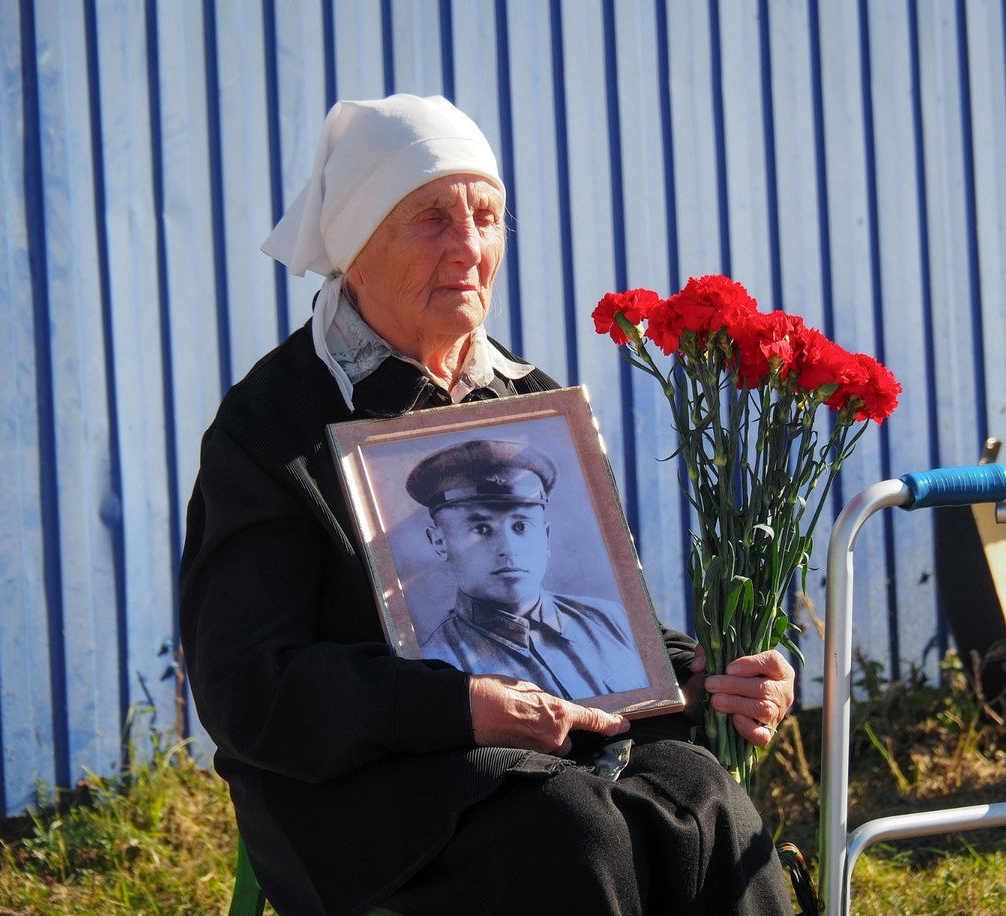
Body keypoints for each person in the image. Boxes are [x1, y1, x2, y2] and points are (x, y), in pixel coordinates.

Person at [179, 94, 797, 916]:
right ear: (357, 249)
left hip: (553, 751)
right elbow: (247, 687)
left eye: (487, 217)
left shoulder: (528, 400)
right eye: (432, 220)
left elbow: (618, 620)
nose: (469, 249)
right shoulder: (271, 426)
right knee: (571, 830)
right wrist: (457, 708)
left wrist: (706, 674)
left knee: (702, 796)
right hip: (359, 789)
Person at [408, 437, 649, 699]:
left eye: (521, 526)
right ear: (440, 542)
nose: (508, 549)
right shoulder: (435, 666)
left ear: (545, 537)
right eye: (481, 529)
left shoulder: (610, 619)